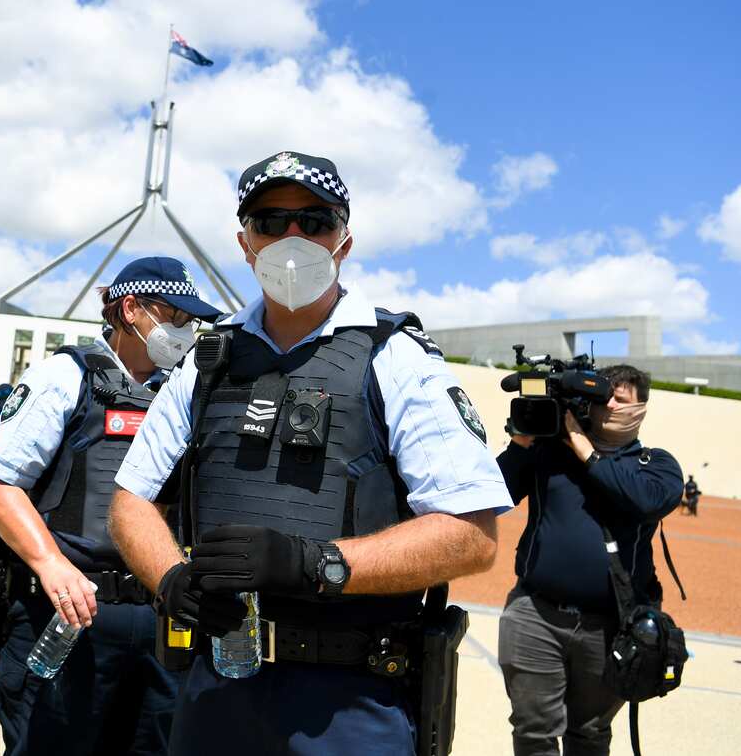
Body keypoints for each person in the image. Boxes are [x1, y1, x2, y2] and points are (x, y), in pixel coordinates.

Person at [109, 151, 514, 755]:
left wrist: (314, 563)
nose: (291, 238)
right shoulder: (207, 358)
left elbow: (471, 535)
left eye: (315, 220)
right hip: (216, 688)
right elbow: (130, 501)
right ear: (244, 242)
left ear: (343, 240)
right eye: (271, 222)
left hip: (351, 701)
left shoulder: (395, 357)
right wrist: (170, 580)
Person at [0, 256, 222, 756]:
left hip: (162, 623)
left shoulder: (187, 393)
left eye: (190, 321)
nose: (184, 330)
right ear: (130, 309)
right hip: (68, 618)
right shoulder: (63, 378)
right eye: (174, 316)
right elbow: (2, 485)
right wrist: (51, 564)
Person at [497, 364, 683, 756]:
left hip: (611, 625)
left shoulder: (655, 464)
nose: (611, 403)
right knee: (533, 730)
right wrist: (522, 442)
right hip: (536, 614)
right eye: (605, 395)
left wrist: (586, 451)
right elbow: (494, 496)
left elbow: (646, 501)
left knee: (590, 732)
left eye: (622, 397)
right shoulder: (549, 452)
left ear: (640, 408)